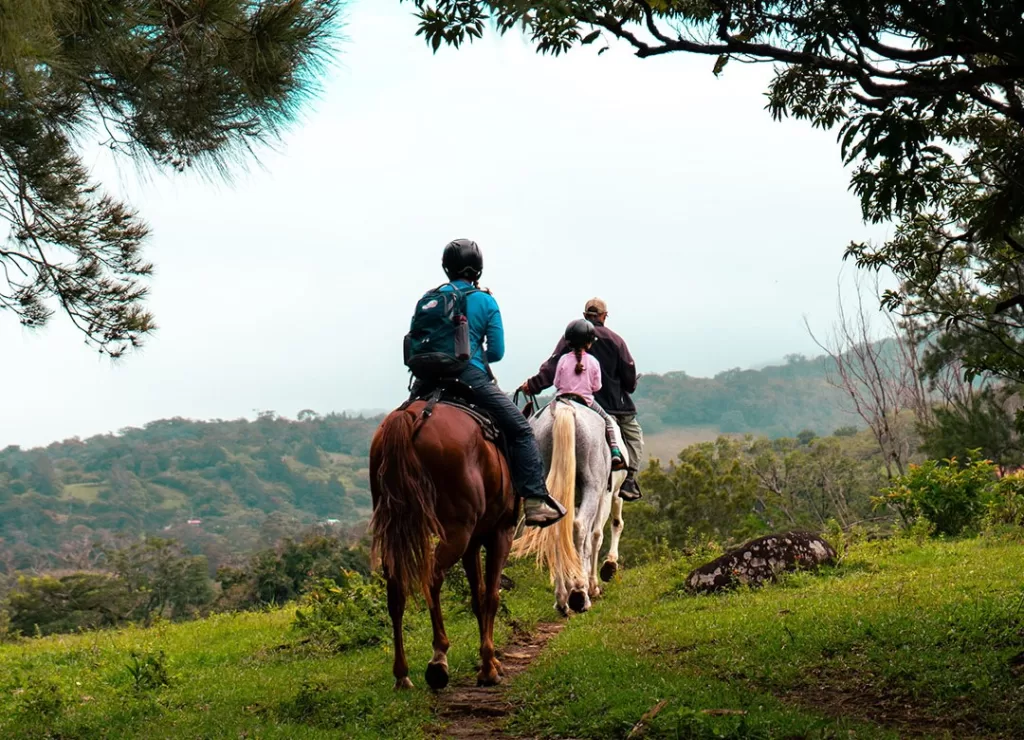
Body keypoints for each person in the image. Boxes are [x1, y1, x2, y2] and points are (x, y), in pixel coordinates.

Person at [407, 239, 566, 528]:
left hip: (425, 382)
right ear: (478, 269)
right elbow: (497, 352)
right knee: (520, 430)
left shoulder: (429, 298)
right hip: (467, 376)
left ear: (446, 268)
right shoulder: (485, 300)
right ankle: (534, 500)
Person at [521, 297, 645, 500]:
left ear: (585, 315)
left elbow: (552, 370)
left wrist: (531, 386)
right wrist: (629, 386)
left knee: (534, 425)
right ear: (604, 316)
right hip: (611, 406)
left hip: (567, 400)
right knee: (634, 437)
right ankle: (629, 479)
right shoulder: (616, 340)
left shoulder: (569, 339)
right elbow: (628, 378)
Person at [551, 319, 627, 471]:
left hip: (563, 400)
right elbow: (596, 386)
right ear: (589, 343)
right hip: (586, 402)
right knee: (608, 420)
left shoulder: (563, 360)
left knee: (538, 419)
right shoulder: (593, 362)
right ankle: (614, 452)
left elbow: (557, 383)